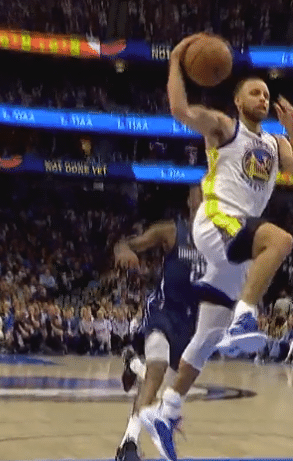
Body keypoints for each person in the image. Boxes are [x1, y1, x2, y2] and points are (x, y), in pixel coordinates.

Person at [139, 33, 293, 461]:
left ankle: (166, 410)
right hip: (218, 220)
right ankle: (246, 316)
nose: (262, 97)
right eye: (255, 92)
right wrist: (176, 60)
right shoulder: (223, 127)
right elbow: (180, 110)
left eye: (266, 94)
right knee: (281, 240)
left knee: (207, 336)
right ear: (237, 101)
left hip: (238, 240)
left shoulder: (275, 144)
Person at [114, 185, 206, 461]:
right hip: (163, 312)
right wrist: (122, 251)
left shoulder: (220, 241)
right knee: (156, 371)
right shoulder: (172, 230)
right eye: (200, 193)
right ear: (189, 200)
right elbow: (128, 243)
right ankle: (129, 444)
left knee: (163, 386)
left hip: (190, 325)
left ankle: (133, 364)